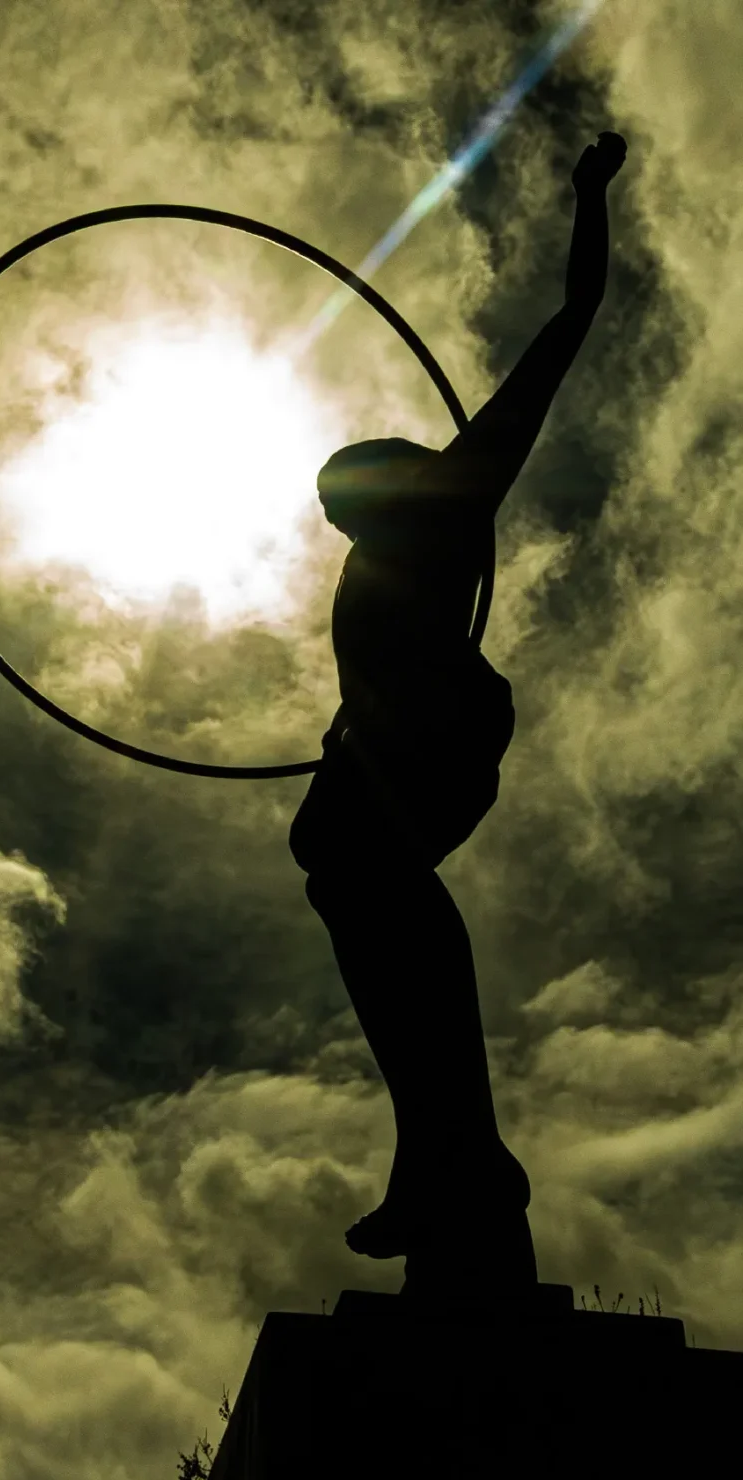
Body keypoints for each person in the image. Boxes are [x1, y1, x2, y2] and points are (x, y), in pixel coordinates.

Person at [290, 131, 628, 1301]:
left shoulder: (453, 493)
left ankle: (454, 1143)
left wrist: (589, 195)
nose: (334, 522)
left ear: (390, 472)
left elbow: (571, 320)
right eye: (329, 512)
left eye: (343, 495)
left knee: (357, 862)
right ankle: (442, 1139)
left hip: (439, 735)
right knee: (332, 859)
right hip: (385, 745)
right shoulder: (382, 552)